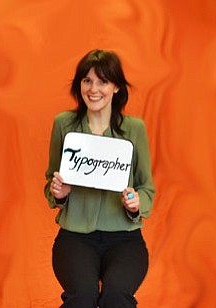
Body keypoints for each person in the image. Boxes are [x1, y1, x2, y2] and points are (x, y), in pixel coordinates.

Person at [44, 49, 156, 308]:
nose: (93, 89)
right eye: (87, 80)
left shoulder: (134, 129)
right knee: (83, 297)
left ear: (116, 87)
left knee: (115, 296)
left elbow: (146, 187)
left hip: (125, 238)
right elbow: (51, 180)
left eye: (103, 81)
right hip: (75, 237)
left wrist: (137, 203)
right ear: (79, 85)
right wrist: (58, 192)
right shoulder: (64, 125)